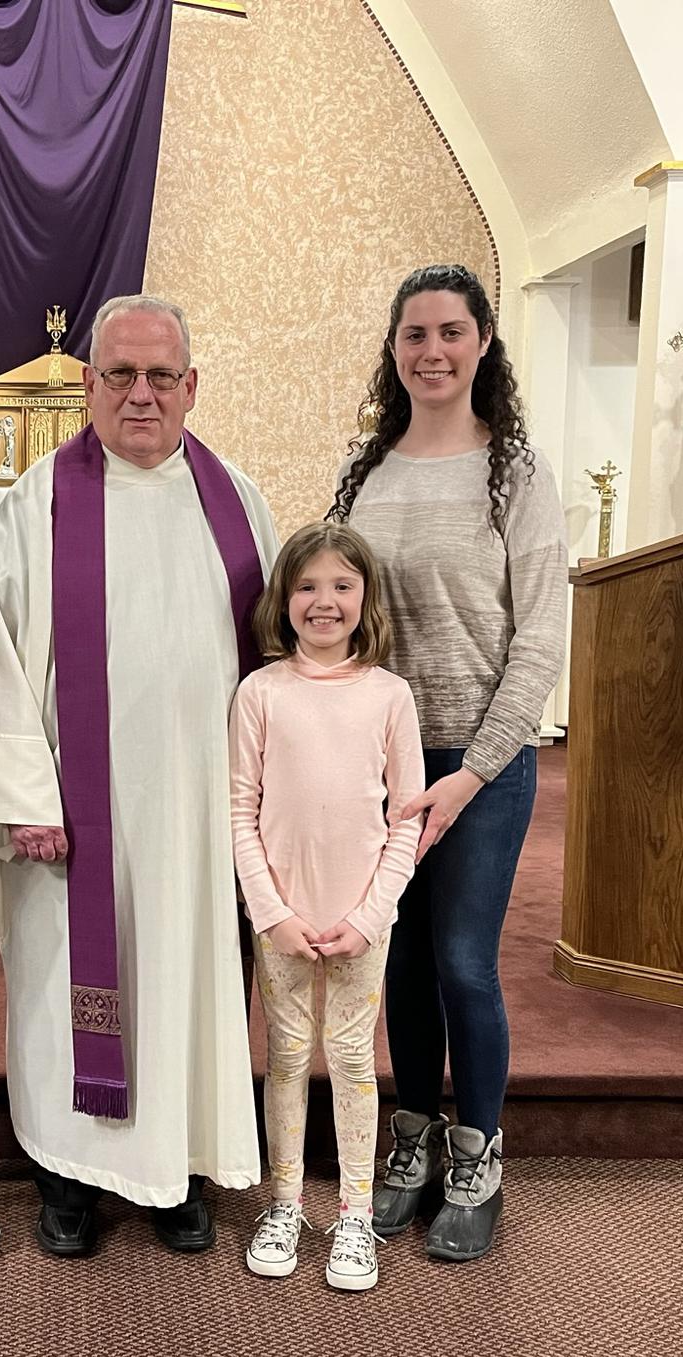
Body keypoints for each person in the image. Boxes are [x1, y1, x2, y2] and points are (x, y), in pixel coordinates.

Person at [0, 294, 279, 1258]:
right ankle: (68, 1176)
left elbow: (280, 660)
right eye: (120, 375)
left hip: (202, 815)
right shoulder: (37, 505)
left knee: (189, 981)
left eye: (161, 376)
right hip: (74, 818)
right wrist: (23, 801)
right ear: (89, 385)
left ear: (193, 385)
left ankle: (178, 1170)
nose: (141, 394)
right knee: (68, 986)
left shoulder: (240, 504)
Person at [329, 264, 567, 1264]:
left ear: (483, 344)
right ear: (394, 348)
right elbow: (336, 604)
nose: (432, 352)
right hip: (382, 759)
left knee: (464, 961)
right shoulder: (364, 471)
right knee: (403, 962)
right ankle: (413, 1140)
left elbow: (541, 639)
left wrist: (472, 772)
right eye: (414, 335)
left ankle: (479, 1157)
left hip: (481, 760)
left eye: (451, 332)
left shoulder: (517, 475)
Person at [230, 521, 423, 1290]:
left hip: (360, 920)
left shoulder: (389, 696)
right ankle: (284, 1205)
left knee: (349, 1059)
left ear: (365, 597)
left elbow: (406, 821)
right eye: (307, 585)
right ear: (284, 598)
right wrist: (271, 913)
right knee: (284, 1056)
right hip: (282, 918)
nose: (324, 601)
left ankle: (353, 1214)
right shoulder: (261, 693)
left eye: (342, 585)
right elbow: (240, 812)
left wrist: (369, 918)